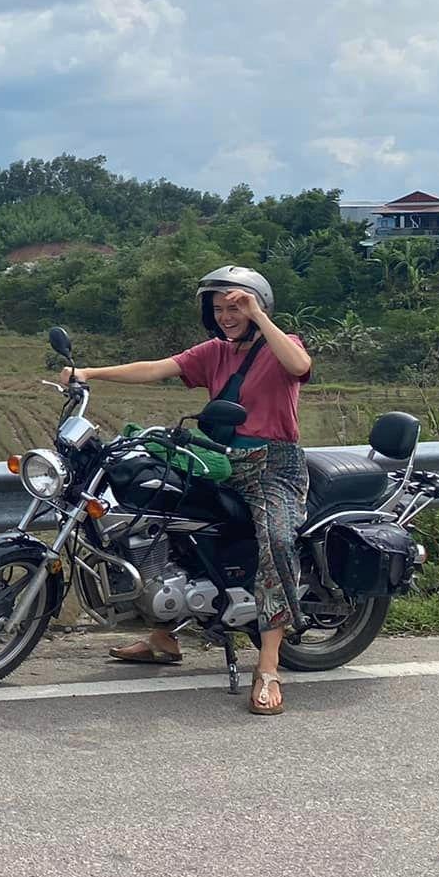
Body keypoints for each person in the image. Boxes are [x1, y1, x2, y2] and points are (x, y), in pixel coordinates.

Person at [58, 266, 311, 715]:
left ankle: (269, 666)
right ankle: (164, 635)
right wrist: (89, 372)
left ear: (258, 306)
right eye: (219, 309)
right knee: (161, 515)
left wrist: (260, 316)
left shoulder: (281, 345)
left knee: (276, 540)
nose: (228, 316)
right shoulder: (215, 351)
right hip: (215, 459)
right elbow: (158, 368)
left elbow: (300, 367)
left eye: (236, 307)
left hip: (273, 466)